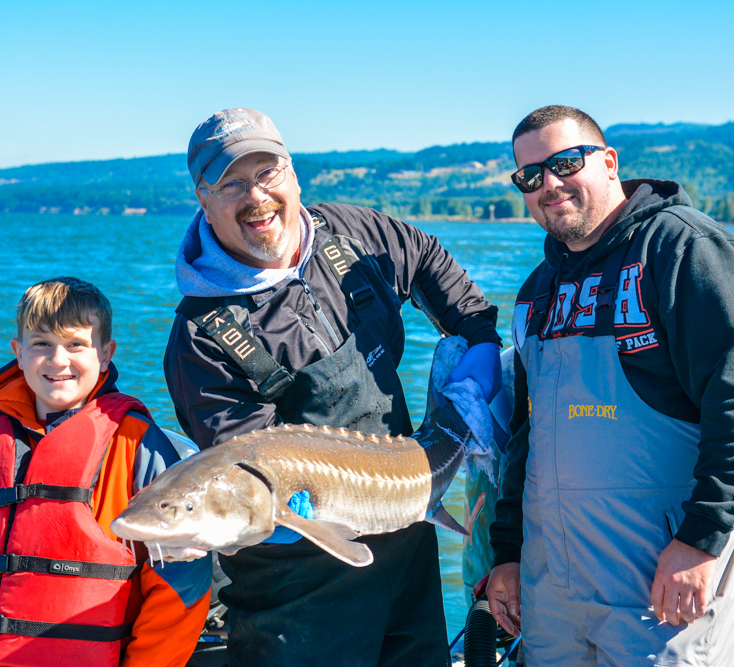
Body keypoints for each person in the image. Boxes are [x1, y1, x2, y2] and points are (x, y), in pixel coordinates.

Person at [163, 107, 502, 666]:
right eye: (232, 183)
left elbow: (425, 259)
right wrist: (284, 515)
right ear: (203, 197)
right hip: (300, 587)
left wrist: (476, 335)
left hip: (407, 540)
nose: (256, 196)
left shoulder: (351, 233)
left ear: (293, 174)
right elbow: (245, 463)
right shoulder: (201, 336)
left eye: (267, 173)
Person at [485, 106, 734, 666]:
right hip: (553, 593)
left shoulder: (684, 251)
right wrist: (509, 553)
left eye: (563, 162)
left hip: (661, 585)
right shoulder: (535, 293)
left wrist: (701, 540)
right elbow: (526, 435)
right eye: (529, 176)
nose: (548, 184)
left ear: (608, 162)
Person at [0, 277, 211, 667]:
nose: (58, 360)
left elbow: (180, 584)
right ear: (18, 353)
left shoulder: (136, 446)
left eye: (76, 344)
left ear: (106, 353)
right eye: (41, 344)